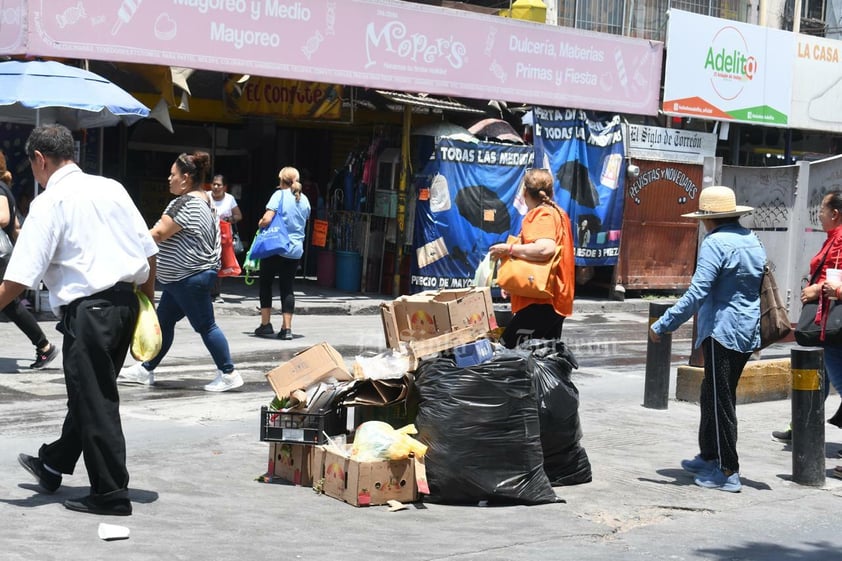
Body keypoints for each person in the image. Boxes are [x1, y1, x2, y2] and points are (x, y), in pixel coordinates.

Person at [0, 124, 158, 515]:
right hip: (126, 305)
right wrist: (146, 300)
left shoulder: (50, 201)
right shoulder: (111, 188)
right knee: (90, 393)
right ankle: (54, 463)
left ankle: (110, 493)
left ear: (40, 159)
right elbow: (148, 249)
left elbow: (20, 275)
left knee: (96, 399)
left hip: (91, 312)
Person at [649, 185, 765, 493]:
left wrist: (664, 324)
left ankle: (728, 470)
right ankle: (709, 455)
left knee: (721, 400)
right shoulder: (751, 240)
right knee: (711, 393)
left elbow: (697, 293)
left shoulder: (715, 243)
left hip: (722, 331)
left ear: (707, 218)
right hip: (746, 329)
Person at [118, 151, 243, 392]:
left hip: (189, 277)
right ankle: (146, 369)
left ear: (185, 178)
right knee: (164, 322)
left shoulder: (185, 203)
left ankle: (229, 373)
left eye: (173, 174)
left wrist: (125, 238)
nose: (169, 178)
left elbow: (158, 234)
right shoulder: (205, 199)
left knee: (206, 326)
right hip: (184, 278)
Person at [489, 168, 574, 349]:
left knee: (507, 353)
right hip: (555, 300)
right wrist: (516, 285)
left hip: (541, 303)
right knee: (544, 360)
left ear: (525, 192)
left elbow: (545, 249)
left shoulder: (541, 215)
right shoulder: (558, 213)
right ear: (551, 192)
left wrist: (509, 248)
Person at [796, 191, 842, 476]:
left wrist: (828, 289)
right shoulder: (833, 238)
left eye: (822, 210)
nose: (819, 215)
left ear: (835, 213)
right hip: (829, 323)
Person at [0, 149, 59, 370]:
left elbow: (4, 217)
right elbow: (15, 227)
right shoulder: (6, 188)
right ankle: (44, 346)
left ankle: (44, 346)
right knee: (10, 305)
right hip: (5, 256)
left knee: (10, 304)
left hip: (0, 256)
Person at [254, 166, 311, 340]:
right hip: (294, 251)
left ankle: (265, 325)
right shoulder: (305, 200)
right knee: (287, 288)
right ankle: (287, 329)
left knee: (266, 284)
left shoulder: (278, 195)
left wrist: (260, 224)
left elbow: (267, 219)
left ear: (281, 180)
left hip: (275, 248)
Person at [209, 174, 242, 303]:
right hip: (206, 235)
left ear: (225, 187)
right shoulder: (205, 196)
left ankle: (215, 293)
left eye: (219, 185)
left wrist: (228, 219)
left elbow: (238, 216)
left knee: (219, 264)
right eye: (214, 184)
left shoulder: (229, 199)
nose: (216, 187)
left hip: (223, 236)